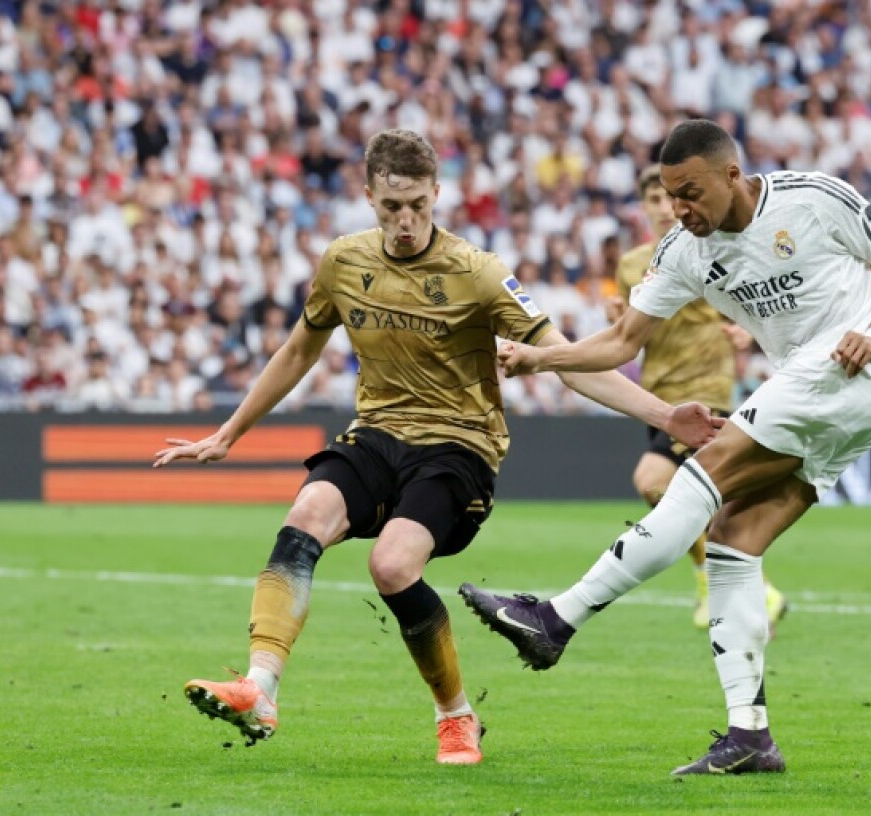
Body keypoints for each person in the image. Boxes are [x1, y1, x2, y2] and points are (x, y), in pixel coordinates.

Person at [154, 129, 723, 765]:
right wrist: (229, 433)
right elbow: (297, 351)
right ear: (369, 196)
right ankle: (259, 688)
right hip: (377, 433)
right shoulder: (343, 262)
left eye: (418, 206)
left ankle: (455, 714)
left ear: (437, 195)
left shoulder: (478, 272)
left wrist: (664, 415)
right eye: (392, 206)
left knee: (393, 567)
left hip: (459, 446)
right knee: (304, 517)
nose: (405, 221)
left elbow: (567, 359)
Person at [459, 120, 871, 775]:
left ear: (731, 175)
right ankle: (750, 737)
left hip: (855, 366)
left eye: (691, 193)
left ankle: (557, 618)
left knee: (702, 473)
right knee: (732, 537)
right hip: (823, 390)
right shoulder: (684, 250)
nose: (680, 208)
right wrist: (543, 358)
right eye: (670, 195)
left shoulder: (811, 197)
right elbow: (624, 341)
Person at [609, 165, 787, 630]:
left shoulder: (712, 250)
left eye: (668, 199)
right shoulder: (631, 264)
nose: (662, 209)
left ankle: (716, 578)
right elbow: (629, 330)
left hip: (708, 391)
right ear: (644, 209)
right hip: (660, 397)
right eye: (652, 200)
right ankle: (750, 588)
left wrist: (747, 331)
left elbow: (751, 297)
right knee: (695, 500)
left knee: (652, 480)